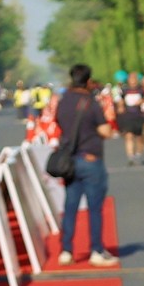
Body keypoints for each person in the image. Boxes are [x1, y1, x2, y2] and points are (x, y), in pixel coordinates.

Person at [52, 63, 119, 267]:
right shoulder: (91, 103)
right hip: (91, 160)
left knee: (70, 206)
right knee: (95, 208)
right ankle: (96, 250)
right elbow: (106, 131)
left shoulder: (63, 101)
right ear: (88, 81)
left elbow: (59, 123)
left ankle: (66, 250)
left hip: (70, 162)